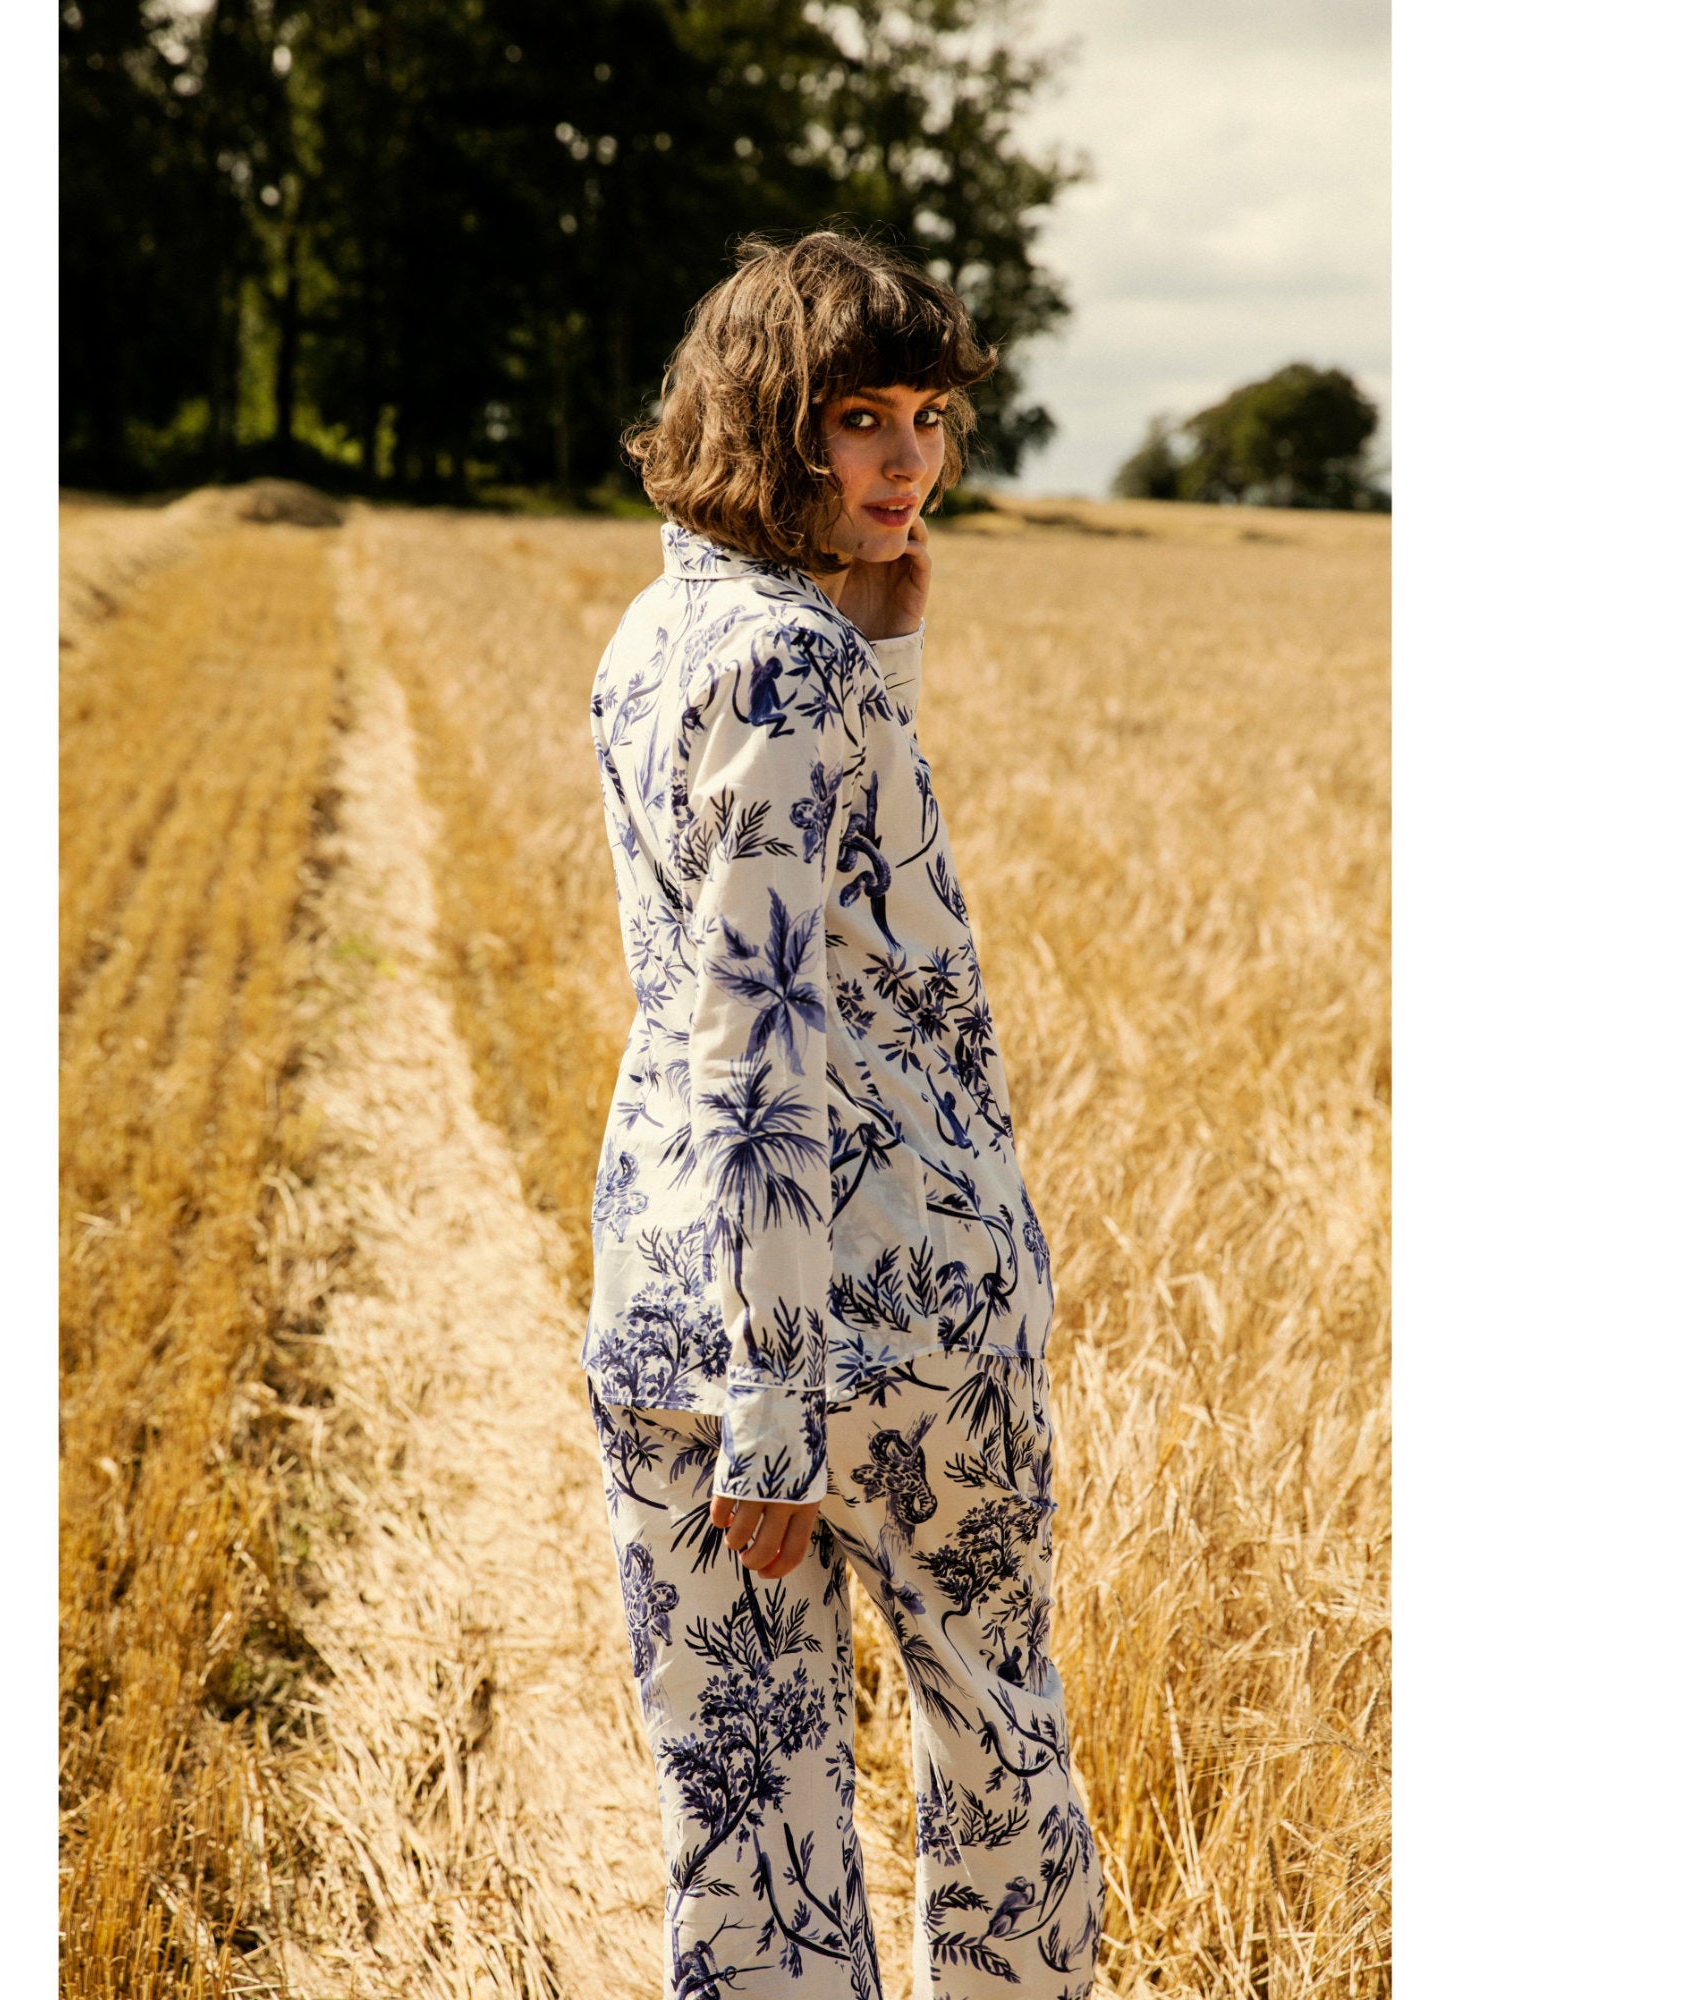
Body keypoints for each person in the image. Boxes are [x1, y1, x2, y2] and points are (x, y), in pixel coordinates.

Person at [583, 229, 1104, 1998]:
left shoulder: (656, 634)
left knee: (748, 1829)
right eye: (860, 417)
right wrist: (778, 1401)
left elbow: (785, 921)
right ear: (766, 424)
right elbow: (765, 1029)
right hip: (879, 1328)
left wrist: (886, 654)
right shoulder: (792, 662)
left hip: (669, 1303)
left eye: (929, 417)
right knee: (996, 1746)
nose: (908, 462)